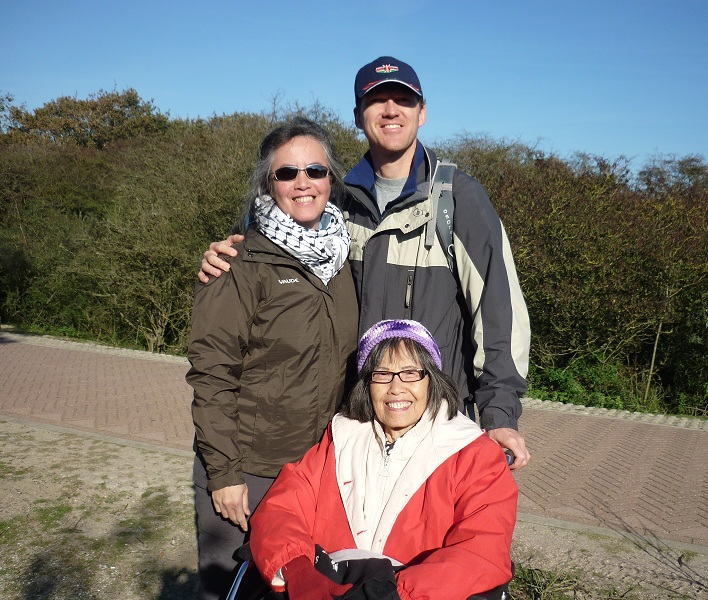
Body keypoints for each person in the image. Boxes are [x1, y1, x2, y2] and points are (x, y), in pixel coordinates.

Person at [199, 56, 532, 470]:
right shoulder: (334, 198)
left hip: (433, 426)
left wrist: (500, 415)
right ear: (358, 116)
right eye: (377, 100)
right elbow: (268, 246)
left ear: (422, 112)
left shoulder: (458, 199)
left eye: (403, 100)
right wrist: (225, 255)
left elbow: (499, 313)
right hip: (355, 426)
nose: (391, 110)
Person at [186, 118, 359, 600]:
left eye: (315, 170)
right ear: (269, 182)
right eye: (287, 173)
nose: (303, 182)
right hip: (251, 469)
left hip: (316, 470)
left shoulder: (345, 260)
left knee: (302, 588)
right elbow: (212, 375)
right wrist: (224, 474)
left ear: (331, 178)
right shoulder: (238, 264)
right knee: (234, 590)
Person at [248, 319, 518, 600]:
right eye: (382, 374)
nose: (396, 387)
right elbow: (281, 509)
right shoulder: (339, 439)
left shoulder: (476, 455)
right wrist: (299, 572)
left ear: (432, 380)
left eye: (410, 373)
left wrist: (392, 594)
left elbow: (482, 551)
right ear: (367, 384)